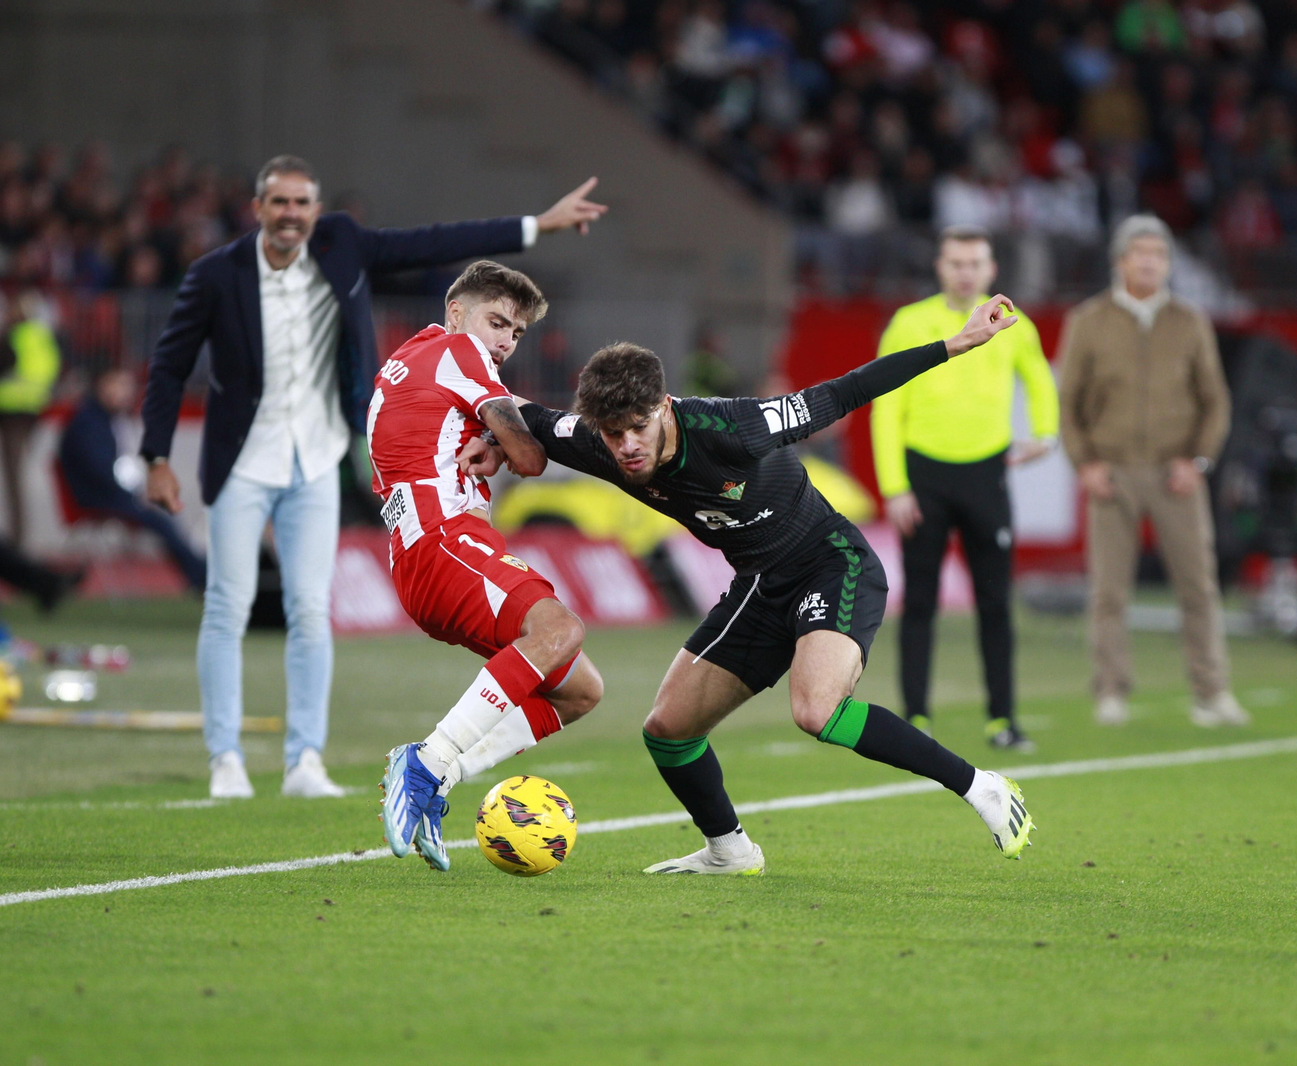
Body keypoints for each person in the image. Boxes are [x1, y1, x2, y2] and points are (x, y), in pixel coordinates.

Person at [462, 295, 1036, 875]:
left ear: (663, 406)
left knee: (817, 710)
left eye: (638, 427)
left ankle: (980, 786)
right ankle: (730, 851)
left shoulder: (734, 427)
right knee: (667, 730)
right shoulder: (592, 441)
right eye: (612, 434)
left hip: (831, 562)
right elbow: (513, 409)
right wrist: (498, 442)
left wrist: (954, 345)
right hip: (760, 586)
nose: (626, 446)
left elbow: (846, 390)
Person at [139, 154, 607, 801]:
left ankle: (308, 762)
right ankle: (230, 760)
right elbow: (169, 362)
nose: (293, 215)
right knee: (226, 607)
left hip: (319, 459)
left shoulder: (353, 263)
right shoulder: (219, 275)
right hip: (247, 458)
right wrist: (156, 454)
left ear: (315, 210)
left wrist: (537, 226)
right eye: (280, 203)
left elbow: (439, 243)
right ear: (258, 209)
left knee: (309, 610)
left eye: (303, 203)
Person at [371, 261, 605, 872]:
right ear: (456, 313)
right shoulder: (457, 349)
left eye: (517, 332)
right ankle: (424, 763)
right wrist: (507, 441)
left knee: (580, 689)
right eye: (496, 321)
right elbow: (531, 459)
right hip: (443, 539)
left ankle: (441, 773)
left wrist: (492, 437)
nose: (504, 341)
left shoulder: (412, 357)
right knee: (560, 631)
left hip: (421, 555)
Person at [871, 226, 1059, 751]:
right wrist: (895, 487)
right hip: (923, 475)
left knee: (996, 602)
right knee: (920, 602)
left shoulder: (1010, 322)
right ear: (939, 266)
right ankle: (916, 718)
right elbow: (887, 404)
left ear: (991, 269)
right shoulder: (909, 322)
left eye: (975, 262)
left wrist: (1047, 433)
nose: (965, 271)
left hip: (986, 474)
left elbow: (1039, 377)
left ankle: (1002, 720)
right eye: (955, 262)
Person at [1055, 214, 1247, 729]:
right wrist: (1086, 464)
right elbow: (1066, 404)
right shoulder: (1088, 320)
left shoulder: (1190, 320)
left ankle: (1213, 693)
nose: (1150, 261)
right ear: (1120, 261)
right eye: (1140, 252)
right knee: (1109, 591)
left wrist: (1199, 461)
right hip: (1111, 472)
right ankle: (1111, 692)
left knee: (1199, 588)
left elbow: (1216, 402)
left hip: (1175, 474)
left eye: (1159, 253)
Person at [59, 368, 206, 591]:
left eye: (127, 387)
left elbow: (121, 464)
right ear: (102, 386)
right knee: (161, 520)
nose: (124, 393)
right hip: (97, 499)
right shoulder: (87, 422)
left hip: (110, 495)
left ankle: (198, 572)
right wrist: (133, 496)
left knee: (164, 510)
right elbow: (100, 471)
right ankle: (199, 575)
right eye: (118, 386)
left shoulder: (110, 420)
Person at [0, 291, 62, 545]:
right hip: (29, 412)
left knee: (13, 480)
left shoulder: (13, 336)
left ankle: (16, 542)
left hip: (11, 411)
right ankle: (17, 540)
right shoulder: (42, 336)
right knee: (15, 479)